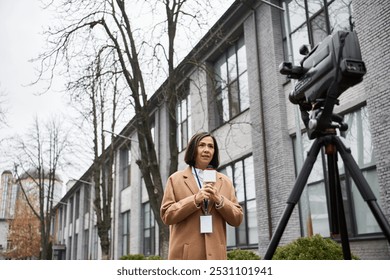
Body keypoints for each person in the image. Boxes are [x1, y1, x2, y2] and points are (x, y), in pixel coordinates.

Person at [160, 132, 243, 260]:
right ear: (193, 150)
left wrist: (220, 200)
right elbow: (167, 216)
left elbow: (237, 219)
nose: (206, 150)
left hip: (216, 258)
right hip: (186, 258)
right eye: (201, 145)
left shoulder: (225, 181)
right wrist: (194, 200)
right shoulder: (175, 179)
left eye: (211, 146)